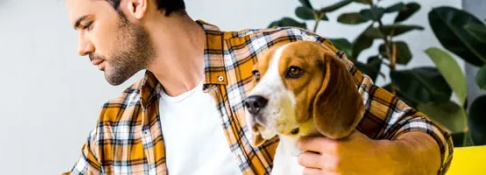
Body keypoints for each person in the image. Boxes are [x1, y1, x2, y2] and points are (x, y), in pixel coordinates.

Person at [62, 0, 453, 174]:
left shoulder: (282, 55)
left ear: (134, 3)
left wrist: (385, 162)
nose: (82, 47)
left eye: (86, 25)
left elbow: (429, 136)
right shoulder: (117, 123)